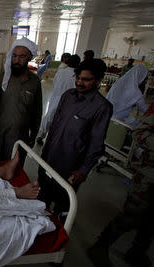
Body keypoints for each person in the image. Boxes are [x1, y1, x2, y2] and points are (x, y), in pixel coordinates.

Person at [87, 98, 154, 267]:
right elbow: (140, 131)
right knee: (132, 213)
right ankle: (100, 246)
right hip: (151, 172)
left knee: (152, 219)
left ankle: (137, 252)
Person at [38, 59, 113, 216]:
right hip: (49, 158)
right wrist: (45, 149)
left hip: (70, 166)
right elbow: (55, 126)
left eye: (86, 79)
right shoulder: (68, 96)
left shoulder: (101, 107)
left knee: (62, 205)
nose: (79, 82)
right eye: (78, 77)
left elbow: (96, 143)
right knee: (41, 198)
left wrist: (83, 170)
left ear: (99, 80)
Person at [0, 37, 42, 164]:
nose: (16, 60)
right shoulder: (3, 78)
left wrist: (33, 137)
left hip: (19, 139)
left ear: (29, 57)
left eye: (22, 56)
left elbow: (37, 112)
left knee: (14, 174)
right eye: (14, 56)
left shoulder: (34, 82)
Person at [37, 54, 81, 144]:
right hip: (68, 102)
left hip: (55, 97)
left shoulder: (61, 72)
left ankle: (40, 136)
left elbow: (55, 83)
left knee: (49, 117)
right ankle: (55, 140)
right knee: (63, 121)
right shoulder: (76, 76)